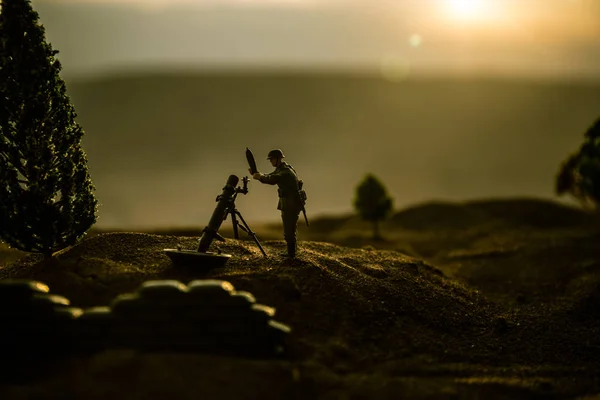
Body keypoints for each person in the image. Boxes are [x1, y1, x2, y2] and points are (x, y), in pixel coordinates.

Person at [250, 149, 302, 258]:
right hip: (288, 202)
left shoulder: (285, 172)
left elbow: (272, 179)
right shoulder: (282, 169)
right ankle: (291, 252)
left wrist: (260, 177)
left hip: (290, 203)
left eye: (272, 159)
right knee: (289, 228)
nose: (271, 162)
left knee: (289, 229)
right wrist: (258, 174)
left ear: (277, 159)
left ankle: (291, 254)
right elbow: (270, 175)